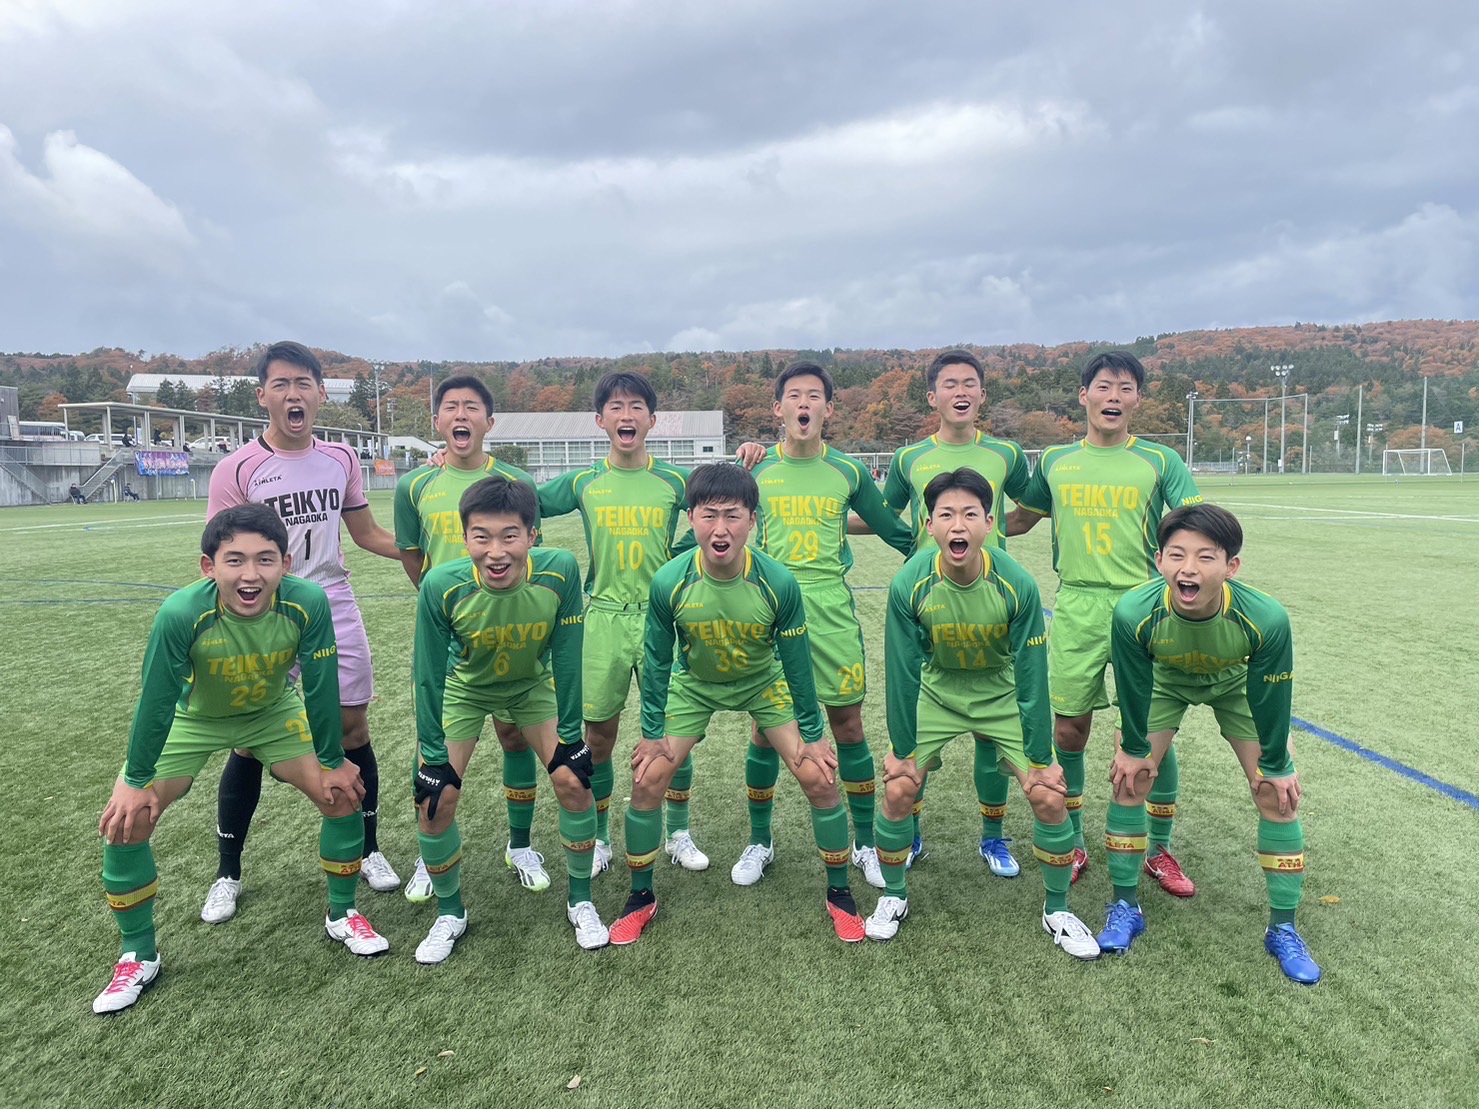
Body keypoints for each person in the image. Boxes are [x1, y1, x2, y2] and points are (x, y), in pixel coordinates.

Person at [92, 505, 386, 1014]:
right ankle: (138, 954)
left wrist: (333, 758)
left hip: (271, 712)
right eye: (235, 560)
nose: (251, 574)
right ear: (209, 567)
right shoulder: (181, 613)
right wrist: (135, 778)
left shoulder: (308, 602)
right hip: (196, 718)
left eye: (265, 560)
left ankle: (342, 915)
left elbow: (320, 686)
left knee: (341, 792)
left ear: (286, 564)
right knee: (127, 819)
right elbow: (156, 700)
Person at [609, 463, 865, 945]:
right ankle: (640, 897)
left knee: (819, 776)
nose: (720, 529)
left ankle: (840, 893)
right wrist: (651, 732)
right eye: (709, 515)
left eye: (732, 515)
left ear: (753, 520)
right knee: (647, 779)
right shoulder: (669, 581)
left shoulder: (777, 581)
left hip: (762, 682)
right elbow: (657, 661)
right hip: (696, 685)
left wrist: (813, 736)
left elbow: (796, 664)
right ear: (691, 518)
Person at [204, 340, 407, 922]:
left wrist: (431, 554)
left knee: (352, 727)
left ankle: (368, 849)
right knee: (249, 738)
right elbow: (223, 557)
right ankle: (228, 872)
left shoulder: (341, 458)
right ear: (262, 395)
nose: (293, 394)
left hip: (332, 601)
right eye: (281, 384)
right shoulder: (235, 469)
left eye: (303, 384)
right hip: (262, 610)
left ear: (320, 393)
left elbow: (368, 534)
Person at [865, 469, 1099, 959]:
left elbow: (1032, 675)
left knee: (1048, 794)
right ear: (929, 525)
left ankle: (1058, 909)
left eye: (970, 514)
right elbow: (902, 672)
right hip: (939, 691)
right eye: (946, 514)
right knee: (899, 787)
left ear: (989, 523)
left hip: (1001, 691)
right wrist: (903, 751)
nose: (959, 525)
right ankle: (892, 895)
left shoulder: (1016, 583)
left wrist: (1041, 760)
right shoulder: (910, 583)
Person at [1005, 350, 1203, 894]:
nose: (1113, 396)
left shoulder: (1160, 461)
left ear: (1137, 399)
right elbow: (1019, 520)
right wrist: (960, 528)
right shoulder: (1056, 461)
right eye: (1103, 386)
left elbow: (1193, 526)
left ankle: (1158, 850)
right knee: (1068, 727)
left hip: (1145, 605)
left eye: (1125, 388)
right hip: (1076, 605)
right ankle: (1072, 842)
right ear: (1083, 395)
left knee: (1150, 733)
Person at [1105, 504, 1319, 984]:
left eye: (1205, 557)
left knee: (1277, 794)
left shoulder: (1265, 617)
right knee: (1130, 780)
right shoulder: (1134, 612)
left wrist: (1277, 764)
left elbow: (1272, 694)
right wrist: (1133, 748)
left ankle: (1283, 928)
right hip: (1164, 682)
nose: (1189, 568)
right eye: (1177, 554)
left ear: (1231, 566)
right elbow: (1133, 686)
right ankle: (1124, 905)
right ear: (1158, 560)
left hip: (1235, 684)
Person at [410, 476, 605, 960]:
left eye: (509, 536)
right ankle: (450, 913)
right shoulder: (441, 585)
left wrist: (571, 736)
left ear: (532, 536)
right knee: (434, 799)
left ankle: (581, 901)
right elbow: (427, 674)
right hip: (465, 689)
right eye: (482, 537)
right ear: (464, 538)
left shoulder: (559, 571)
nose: (496, 552)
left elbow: (568, 656)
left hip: (530, 687)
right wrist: (432, 754)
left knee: (575, 781)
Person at [737, 361, 913, 891]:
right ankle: (760, 840)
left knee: (848, 725)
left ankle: (864, 843)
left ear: (829, 409)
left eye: (814, 396)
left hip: (832, 612)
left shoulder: (849, 471)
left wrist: (939, 561)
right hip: (769, 609)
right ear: (778, 408)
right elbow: (714, 517)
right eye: (794, 395)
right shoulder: (755, 469)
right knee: (765, 730)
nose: (804, 403)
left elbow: (893, 530)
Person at [860, 349, 1033, 878]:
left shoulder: (1006, 454)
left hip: (989, 599)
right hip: (928, 601)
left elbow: (1030, 508)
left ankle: (993, 837)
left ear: (982, 394)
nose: (961, 391)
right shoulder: (909, 457)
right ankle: (910, 833)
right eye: (950, 384)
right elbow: (884, 514)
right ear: (932, 396)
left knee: (990, 726)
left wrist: (994, 538)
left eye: (970, 383)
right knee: (918, 715)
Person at [537, 371, 707, 877]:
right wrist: (455, 461)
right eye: (615, 406)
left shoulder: (674, 481)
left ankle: (678, 832)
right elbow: (525, 500)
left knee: (674, 730)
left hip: (663, 618)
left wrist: (681, 555)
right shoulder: (584, 481)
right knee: (599, 735)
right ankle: (601, 837)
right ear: (600, 420)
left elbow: (721, 506)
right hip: (604, 617)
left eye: (635, 406)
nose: (625, 414)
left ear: (652, 420)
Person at [394, 373, 549, 901]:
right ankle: (429, 855)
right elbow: (412, 555)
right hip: (449, 634)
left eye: (471, 407)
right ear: (437, 420)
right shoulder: (414, 485)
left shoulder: (515, 481)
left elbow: (529, 553)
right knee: (434, 748)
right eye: (451, 407)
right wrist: (442, 606)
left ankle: (520, 844)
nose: (461, 415)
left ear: (489, 421)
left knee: (514, 735)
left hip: (509, 628)